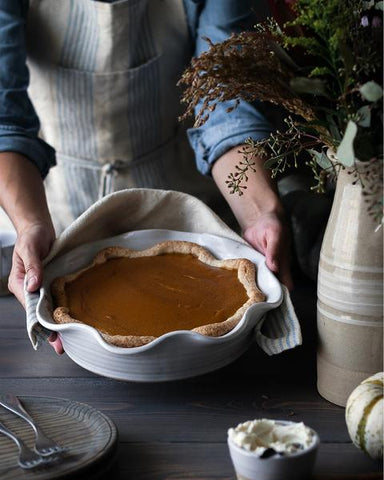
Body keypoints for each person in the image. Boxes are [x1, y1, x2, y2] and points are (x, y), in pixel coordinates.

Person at [0, 0, 292, 354]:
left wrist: (260, 213)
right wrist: (30, 226)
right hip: (56, 223)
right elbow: (5, 122)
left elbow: (227, 107)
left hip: (185, 218)